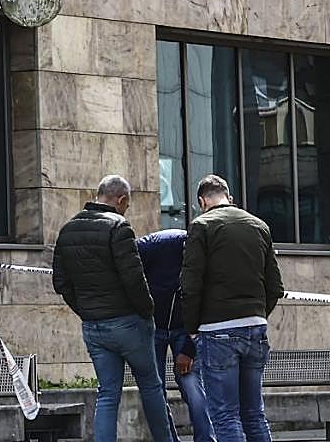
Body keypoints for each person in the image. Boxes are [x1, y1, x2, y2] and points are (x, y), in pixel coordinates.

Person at [51, 175, 172, 442]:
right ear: (121, 200)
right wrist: (147, 311)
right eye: (127, 205)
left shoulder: (67, 229)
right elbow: (134, 279)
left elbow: (60, 282)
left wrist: (85, 309)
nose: (126, 209)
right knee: (151, 386)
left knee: (107, 393)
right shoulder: (119, 227)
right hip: (128, 322)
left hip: (93, 326)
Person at [181, 175, 284, 442]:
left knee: (225, 416)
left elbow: (190, 285)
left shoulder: (201, 226)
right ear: (230, 198)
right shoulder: (259, 226)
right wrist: (257, 314)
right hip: (255, 328)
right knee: (254, 414)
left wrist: (192, 329)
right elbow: (275, 286)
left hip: (217, 331)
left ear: (202, 202)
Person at [137, 228, 216, 442]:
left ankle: (201, 439)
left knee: (189, 384)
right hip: (154, 326)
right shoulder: (157, 246)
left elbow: (204, 305)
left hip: (181, 327)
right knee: (160, 388)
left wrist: (189, 350)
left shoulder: (205, 258)